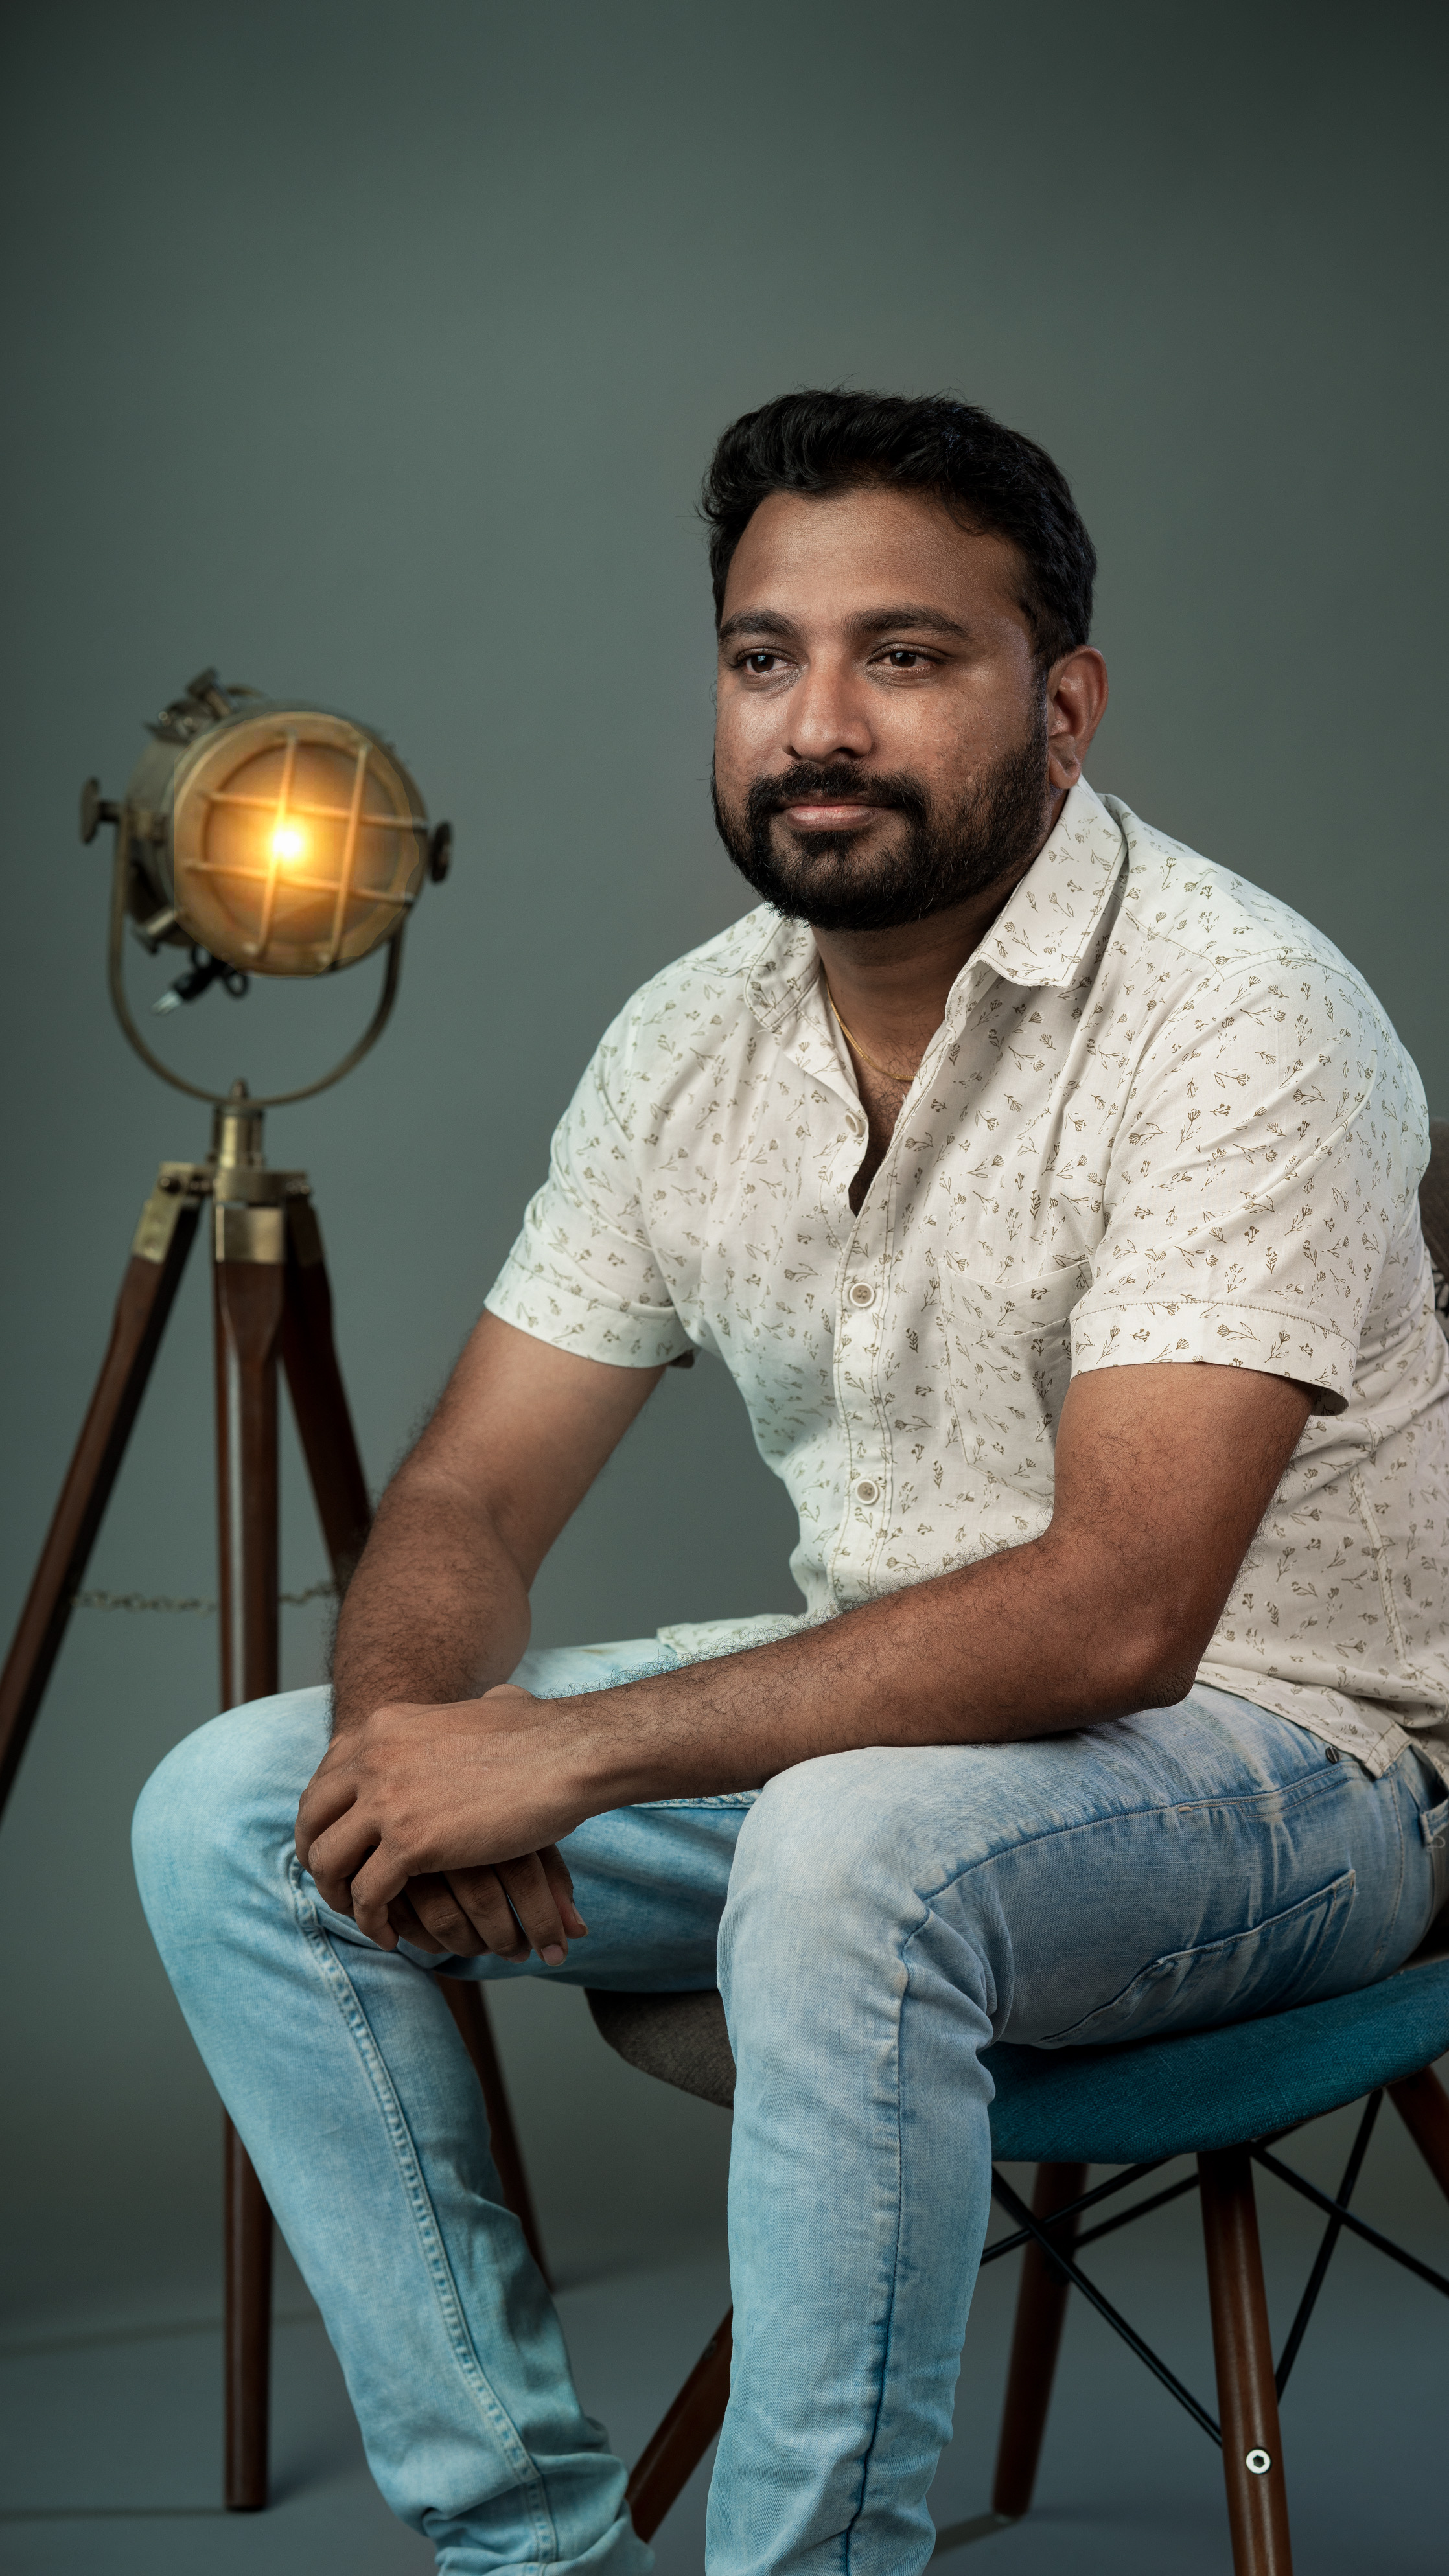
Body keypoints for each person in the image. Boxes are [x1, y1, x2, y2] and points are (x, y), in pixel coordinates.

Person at [134, 390, 1449, 2576]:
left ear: (1062, 707)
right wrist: (404, 1754)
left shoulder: (1240, 1013)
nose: (817, 725)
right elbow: (467, 1499)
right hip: (878, 1746)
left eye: (903, 656)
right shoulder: (690, 1040)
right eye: (766, 658)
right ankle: (529, 2551)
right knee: (235, 1814)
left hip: (1295, 1771)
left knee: (848, 1856)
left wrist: (563, 1757)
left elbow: (1122, 1611)